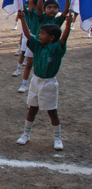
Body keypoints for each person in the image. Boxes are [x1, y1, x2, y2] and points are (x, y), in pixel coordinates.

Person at [15, 11, 72, 150]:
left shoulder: (57, 48)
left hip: (49, 83)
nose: (39, 35)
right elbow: (28, 35)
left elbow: (64, 38)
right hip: (36, 81)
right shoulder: (38, 45)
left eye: (42, 33)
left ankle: (57, 138)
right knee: (32, 109)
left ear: (51, 38)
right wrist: (23, 20)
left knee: (52, 111)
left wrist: (69, 24)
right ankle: (26, 134)